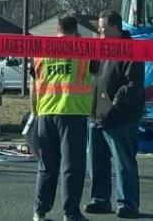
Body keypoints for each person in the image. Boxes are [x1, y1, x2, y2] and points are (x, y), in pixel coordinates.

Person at [32, 15, 94, 221]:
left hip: (45, 113)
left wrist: (35, 111)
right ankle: (71, 213)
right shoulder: (84, 49)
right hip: (72, 112)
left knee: (47, 165)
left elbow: (35, 83)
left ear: (56, 29)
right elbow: (98, 71)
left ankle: (40, 212)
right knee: (72, 166)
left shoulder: (42, 49)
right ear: (76, 30)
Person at [85, 10, 144, 220]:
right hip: (96, 114)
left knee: (123, 162)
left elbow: (133, 83)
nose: (100, 33)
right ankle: (100, 200)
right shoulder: (100, 48)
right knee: (96, 161)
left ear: (116, 27)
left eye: (103, 29)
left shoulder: (131, 49)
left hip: (120, 117)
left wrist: (115, 104)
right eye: (99, 30)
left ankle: (128, 203)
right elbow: (93, 73)